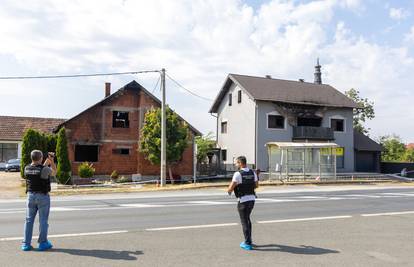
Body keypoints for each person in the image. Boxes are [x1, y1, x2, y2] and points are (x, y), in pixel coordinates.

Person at [21, 150, 56, 251]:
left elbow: (38, 171)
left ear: (32, 158)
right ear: (40, 158)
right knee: (43, 220)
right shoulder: (44, 169)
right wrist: (52, 161)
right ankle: (43, 243)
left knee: (28, 220)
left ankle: (26, 244)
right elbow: (53, 172)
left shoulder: (26, 168)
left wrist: (45, 162)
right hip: (42, 197)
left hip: (30, 196)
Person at [227, 156, 258, 251]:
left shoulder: (238, 174)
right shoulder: (252, 172)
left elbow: (231, 188)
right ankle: (249, 239)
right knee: (247, 219)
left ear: (240, 163)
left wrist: (229, 191)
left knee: (244, 221)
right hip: (252, 199)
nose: (236, 165)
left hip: (243, 201)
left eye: (236, 163)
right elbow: (256, 185)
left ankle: (247, 243)